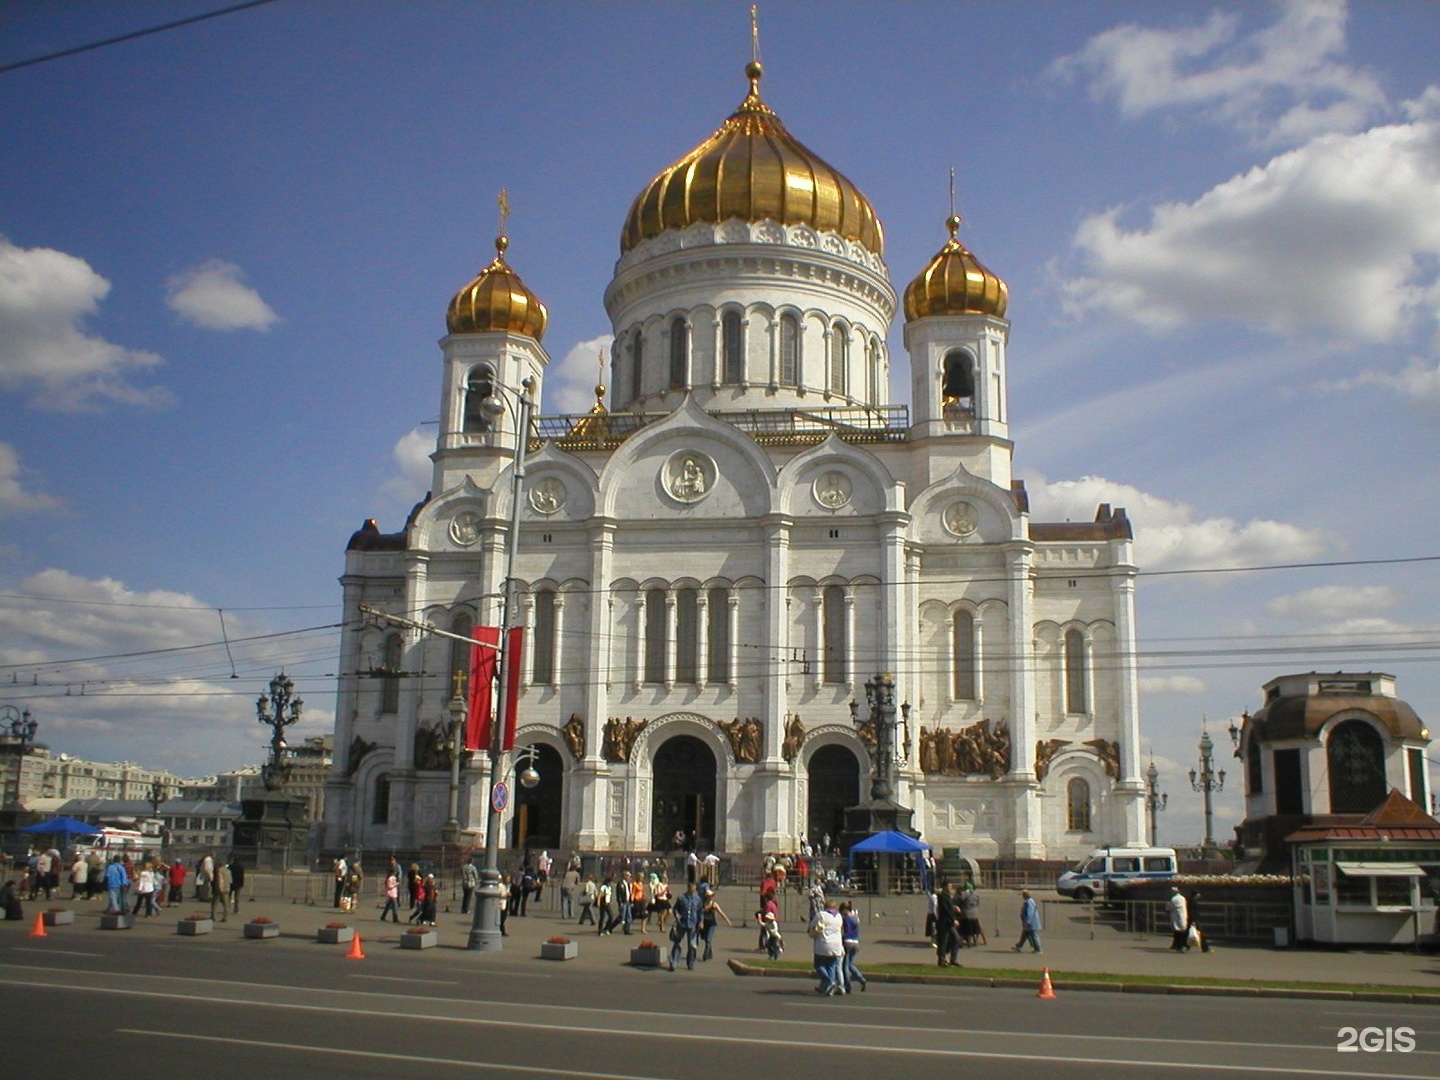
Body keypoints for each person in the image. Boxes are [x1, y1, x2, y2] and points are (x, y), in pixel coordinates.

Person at [808, 894, 845, 995]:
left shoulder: (821, 915)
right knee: (831, 966)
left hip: (823, 944)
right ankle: (830, 990)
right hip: (837, 944)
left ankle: (829, 981)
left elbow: (812, 925)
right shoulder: (839, 916)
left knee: (819, 965)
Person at [670, 882, 703, 971]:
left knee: (692, 945)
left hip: (693, 924)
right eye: (691, 889)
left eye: (694, 889)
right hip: (682, 923)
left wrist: (701, 922)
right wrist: (677, 915)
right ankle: (674, 963)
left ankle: (690, 963)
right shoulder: (681, 898)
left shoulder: (697, 899)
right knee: (677, 943)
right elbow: (675, 909)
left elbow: (700, 912)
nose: (693, 890)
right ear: (688, 888)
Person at [839, 900, 867, 992]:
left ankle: (848, 986)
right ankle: (861, 979)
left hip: (847, 942)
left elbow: (845, 931)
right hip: (856, 942)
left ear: (845, 910)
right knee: (851, 964)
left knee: (845, 966)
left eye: (841, 910)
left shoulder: (846, 919)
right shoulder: (855, 918)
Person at [700, 886, 733, 961]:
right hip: (704, 924)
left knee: (708, 939)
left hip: (712, 924)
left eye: (711, 896)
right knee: (706, 939)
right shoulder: (703, 904)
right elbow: (699, 913)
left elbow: (721, 913)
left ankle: (705, 954)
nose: (710, 897)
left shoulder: (714, 904)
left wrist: (727, 920)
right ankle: (709, 953)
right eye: (709, 896)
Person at [934, 882, 961, 966]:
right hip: (944, 922)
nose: (951, 887)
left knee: (956, 939)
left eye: (951, 886)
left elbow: (949, 907)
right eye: (949, 886)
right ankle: (941, 961)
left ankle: (953, 959)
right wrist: (953, 920)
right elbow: (945, 910)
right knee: (943, 942)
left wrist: (954, 907)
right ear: (945, 887)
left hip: (949, 922)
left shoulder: (948, 896)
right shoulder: (942, 896)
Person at [1167, 886, 1190, 952]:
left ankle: (1180, 946)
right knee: (1181, 931)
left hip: (1176, 917)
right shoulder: (1183, 898)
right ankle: (1178, 945)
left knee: (1178, 932)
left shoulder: (1173, 899)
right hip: (1183, 916)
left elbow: (1169, 908)